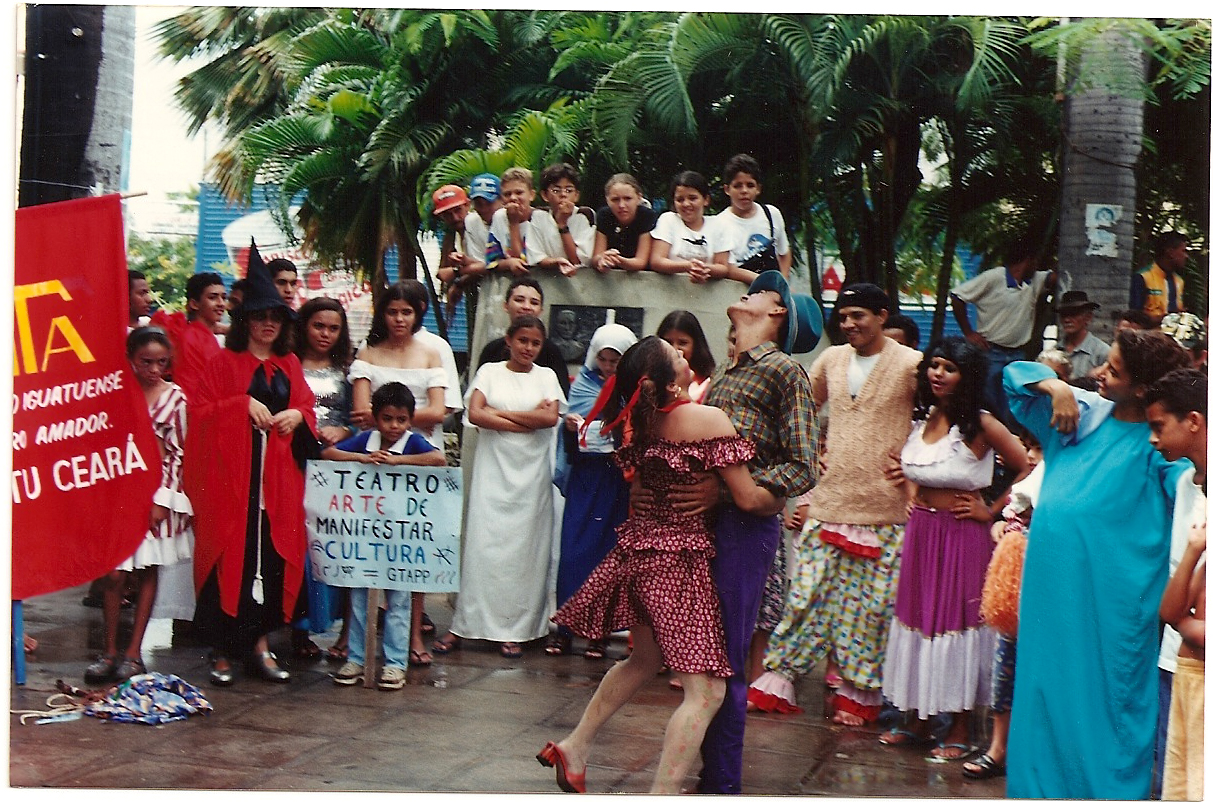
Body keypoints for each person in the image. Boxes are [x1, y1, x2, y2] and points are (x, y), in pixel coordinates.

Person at [537, 336, 783, 795]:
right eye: (678, 356)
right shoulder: (707, 419)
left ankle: (575, 746)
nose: (686, 357)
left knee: (643, 659)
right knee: (706, 693)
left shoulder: (642, 423)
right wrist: (780, 499)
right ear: (669, 383)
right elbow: (750, 498)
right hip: (677, 566)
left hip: (639, 555)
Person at [1002, 329, 1192, 798]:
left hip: (1112, 609)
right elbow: (1011, 380)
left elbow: (1195, 492)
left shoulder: (1159, 446)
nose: (1100, 373)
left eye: (1114, 370)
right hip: (1050, 600)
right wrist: (1055, 386)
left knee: (1107, 706)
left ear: (1143, 389)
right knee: (1043, 698)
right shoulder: (1078, 413)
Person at [664, 270, 822, 794]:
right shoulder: (728, 374)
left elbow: (803, 463)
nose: (748, 291)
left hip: (743, 530)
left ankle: (723, 783)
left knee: (727, 659)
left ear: (777, 313)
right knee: (705, 659)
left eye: (762, 291)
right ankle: (711, 774)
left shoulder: (784, 371)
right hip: (706, 525)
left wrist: (743, 492)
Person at [748, 283, 919, 729]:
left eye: (858, 315)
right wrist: (809, 454)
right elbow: (799, 410)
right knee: (804, 598)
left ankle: (858, 697)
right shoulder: (830, 359)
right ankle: (776, 682)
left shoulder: (912, 364)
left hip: (884, 510)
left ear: (882, 316)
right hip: (829, 503)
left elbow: (946, 415)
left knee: (870, 611)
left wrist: (915, 460)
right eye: (842, 317)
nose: (848, 324)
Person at [880, 337, 1030, 760]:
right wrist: (912, 493)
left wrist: (992, 510)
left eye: (949, 368)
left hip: (961, 535)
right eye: (934, 365)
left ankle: (960, 726)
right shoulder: (925, 416)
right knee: (918, 618)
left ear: (967, 376)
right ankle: (918, 720)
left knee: (953, 621)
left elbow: (1025, 467)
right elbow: (918, 470)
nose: (938, 374)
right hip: (922, 533)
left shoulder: (981, 423)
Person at [184, 245, 319, 687]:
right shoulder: (222, 363)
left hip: (276, 484)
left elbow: (306, 407)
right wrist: (240, 405)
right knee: (230, 562)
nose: (268, 324)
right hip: (232, 483)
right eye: (260, 317)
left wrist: (298, 414)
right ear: (245, 321)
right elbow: (198, 413)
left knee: (271, 561)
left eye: (275, 318)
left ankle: (259, 646)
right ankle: (222, 651)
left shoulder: (289, 363)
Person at [434, 315, 566, 658]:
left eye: (535, 343)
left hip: (532, 479)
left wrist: (501, 415)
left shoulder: (547, 377)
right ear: (509, 340)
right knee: (484, 546)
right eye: (522, 340)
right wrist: (525, 419)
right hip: (492, 475)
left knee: (525, 551)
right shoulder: (489, 372)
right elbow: (476, 414)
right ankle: (466, 625)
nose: (528, 348)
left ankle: (517, 630)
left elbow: (549, 418)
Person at [348, 281, 452, 665]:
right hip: (374, 459)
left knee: (413, 549)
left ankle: (413, 636)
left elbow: (439, 411)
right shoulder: (368, 351)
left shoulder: (431, 353)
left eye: (406, 312)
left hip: (420, 460)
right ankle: (356, 642)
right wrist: (404, 418)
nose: (399, 319)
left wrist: (396, 419)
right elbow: (361, 414)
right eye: (392, 311)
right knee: (367, 548)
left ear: (417, 314)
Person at [84, 327, 194, 684]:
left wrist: (163, 500)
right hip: (117, 493)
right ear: (131, 359)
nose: (154, 370)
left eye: (161, 362)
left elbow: (178, 454)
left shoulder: (175, 399)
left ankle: (133, 652)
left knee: (147, 569)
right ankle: (109, 650)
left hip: (153, 494)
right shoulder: (114, 391)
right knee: (113, 573)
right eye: (146, 362)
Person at [323, 382, 446, 689]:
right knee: (359, 597)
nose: (394, 426)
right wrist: (361, 459)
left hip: (401, 541)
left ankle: (394, 663)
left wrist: (398, 461)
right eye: (387, 419)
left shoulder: (413, 442)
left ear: (410, 420)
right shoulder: (366, 440)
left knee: (399, 601)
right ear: (376, 418)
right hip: (366, 537)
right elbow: (328, 453)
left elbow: (438, 459)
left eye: (401, 420)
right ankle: (356, 658)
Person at [548, 323, 637, 659]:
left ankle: (598, 632)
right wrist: (571, 426)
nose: (609, 367)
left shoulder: (633, 388)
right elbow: (570, 428)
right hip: (586, 479)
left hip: (616, 481)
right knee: (574, 552)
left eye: (616, 361)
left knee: (607, 557)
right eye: (604, 359)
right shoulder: (583, 385)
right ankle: (565, 629)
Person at [962, 430, 1044, 781]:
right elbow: (1014, 516)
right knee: (1006, 664)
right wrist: (1003, 529)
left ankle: (1032, 751)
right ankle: (998, 748)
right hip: (1015, 591)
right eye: (1028, 447)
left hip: (1046, 590)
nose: (1030, 456)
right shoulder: (1027, 485)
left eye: (1038, 449)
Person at [1145, 368, 1208, 799]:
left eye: (1159, 426)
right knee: (1176, 780)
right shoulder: (1185, 482)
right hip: (1176, 661)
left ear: (1194, 421)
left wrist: (1182, 623)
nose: (1153, 439)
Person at [294, 297, 356, 661]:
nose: (325, 334)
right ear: (304, 325)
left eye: (333, 328)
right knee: (297, 544)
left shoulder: (347, 370)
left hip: (333, 467)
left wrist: (343, 431)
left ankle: (329, 627)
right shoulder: (287, 363)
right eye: (318, 326)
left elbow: (357, 418)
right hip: (294, 463)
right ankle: (296, 627)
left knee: (329, 542)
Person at [950, 240, 1056, 422]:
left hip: (1017, 353)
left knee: (1013, 405)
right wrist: (969, 333)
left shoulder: (1034, 281)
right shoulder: (994, 277)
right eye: (1035, 261)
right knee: (988, 404)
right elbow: (957, 296)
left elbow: (1055, 278)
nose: (1037, 266)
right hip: (991, 351)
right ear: (1027, 260)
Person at [1158, 521, 1205, 802]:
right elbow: (1169, 611)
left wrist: (1184, 624)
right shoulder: (1207, 564)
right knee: (1179, 780)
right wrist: (1193, 549)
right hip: (1188, 675)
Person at [649, 171, 750, 284]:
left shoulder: (719, 224)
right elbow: (657, 261)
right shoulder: (668, 220)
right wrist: (688, 266)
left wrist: (703, 269)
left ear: (706, 200)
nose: (686, 204)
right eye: (680, 200)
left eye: (692, 198)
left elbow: (723, 267)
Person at [477, 276, 572, 396]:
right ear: (506, 306)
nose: (526, 307)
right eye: (519, 300)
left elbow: (560, 398)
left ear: (541, 310)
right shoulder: (492, 350)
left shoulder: (551, 352)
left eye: (534, 303)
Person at [150, 271, 226, 401]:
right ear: (194, 304)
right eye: (213, 298)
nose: (221, 303)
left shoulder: (203, 335)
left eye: (223, 297)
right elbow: (190, 391)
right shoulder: (190, 338)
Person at [713, 154, 791, 278]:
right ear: (727, 189)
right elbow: (728, 268)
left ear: (758, 189)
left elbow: (784, 253)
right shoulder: (719, 224)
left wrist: (783, 282)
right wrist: (763, 282)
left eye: (750, 185)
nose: (744, 191)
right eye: (738, 186)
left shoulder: (771, 214)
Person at [529, 162, 594, 274]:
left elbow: (577, 260)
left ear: (576, 195)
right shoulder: (538, 216)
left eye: (569, 190)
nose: (563, 195)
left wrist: (562, 225)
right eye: (556, 191)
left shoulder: (583, 216)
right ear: (545, 195)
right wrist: (555, 262)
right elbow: (536, 256)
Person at [590, 173, 657, 272]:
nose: (621, 205)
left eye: (627, 199)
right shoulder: (604, 215)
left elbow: (641, 262)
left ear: (639, 197)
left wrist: (617, 260)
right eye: (615, 199)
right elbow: (596, 257)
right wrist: (602, 259)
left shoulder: (646, 216)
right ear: (607, 200)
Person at [488, 166, 542, 276]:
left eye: (519, 192)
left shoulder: (540, 219)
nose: (513, 198)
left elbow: (523, 263)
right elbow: (491, 261)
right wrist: (508, 263)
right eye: (507, 194)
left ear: (531, 195)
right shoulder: (499, 217)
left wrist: (513, 223)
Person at [657, 310, 716, 403]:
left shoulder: (710, 383)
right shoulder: (651, 381)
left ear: (696, 345)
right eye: (668, 342)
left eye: (682, 343)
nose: (675, 349)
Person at [1131, 231, 1188, 324]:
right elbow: (1134, 317)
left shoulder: (1179, 281)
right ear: (1170, 252)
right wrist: (1165, 319)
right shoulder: (1143, 277)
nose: (1186, 256)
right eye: (1183, 251)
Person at [1054, 290, 1110, 379]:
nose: (1067, 320)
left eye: (1073, 314)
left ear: (1088, 317)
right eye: (1064, 315)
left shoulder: (1102, 352)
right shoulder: (1055, 351)